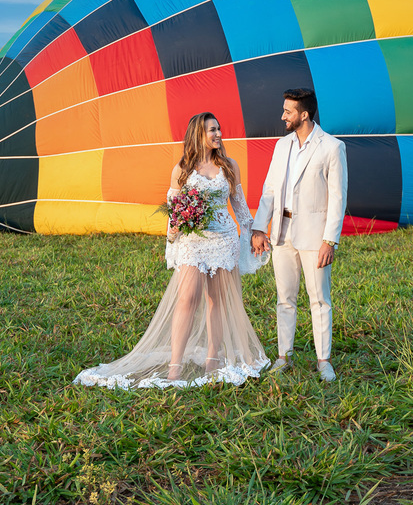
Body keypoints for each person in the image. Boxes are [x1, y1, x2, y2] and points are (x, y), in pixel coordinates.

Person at [73, 112, 269, 389]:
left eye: (218, 128)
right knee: (187, 298)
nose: (218, 134)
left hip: (224, 239)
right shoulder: (182, 169)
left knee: (217, 300)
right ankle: (175, 365)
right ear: (198, 134)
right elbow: (174, 210)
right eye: (211, 130)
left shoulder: (229, 165)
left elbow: (239, 205)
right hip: (193, 240)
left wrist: (254, 232)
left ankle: (213, 358)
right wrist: (174, 234)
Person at [250, 88, 348, 383]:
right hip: (282, 232)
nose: (282, 116)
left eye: (288, 111)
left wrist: (329, 241)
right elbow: (270, 189)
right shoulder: (282, 146)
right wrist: (259, 227)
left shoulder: (332, 147)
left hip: (315, 236)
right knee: (284, 298)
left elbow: (338, 197)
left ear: (304, 115)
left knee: (319, 299)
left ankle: (323, 361)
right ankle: (284, 356)